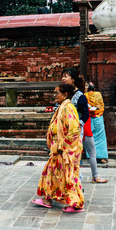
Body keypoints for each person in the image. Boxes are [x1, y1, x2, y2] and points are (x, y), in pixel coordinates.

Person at [32, 83, 84, 212]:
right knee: (50, 173)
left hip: (66, 151)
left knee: (69, 176)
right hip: (57, 150)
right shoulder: (62, 107)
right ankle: (47, 199)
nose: (54, 96)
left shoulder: (68, 108)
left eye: (57, 93)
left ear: (65, 95)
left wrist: (62, 146)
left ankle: (76, 204)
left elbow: (74, 130)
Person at [62, 68, 108, 184]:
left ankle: (81, 179)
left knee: (78, 154)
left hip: (77, 130)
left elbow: (85, 113)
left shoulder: (79, 96)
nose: (63, 78)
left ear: (73, 79)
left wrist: (78, 125)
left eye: (66, 76)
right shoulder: (65, 94)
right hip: (65, 128)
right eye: (63, 76)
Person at [85, 82, 109, 164]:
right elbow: (101, 105)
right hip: (98, 116)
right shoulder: (98, 94)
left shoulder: (85, 95)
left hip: (89, 118)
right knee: (101, 137)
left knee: (91, 137)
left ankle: (92, 156)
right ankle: (102, 157)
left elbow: (85, 107)